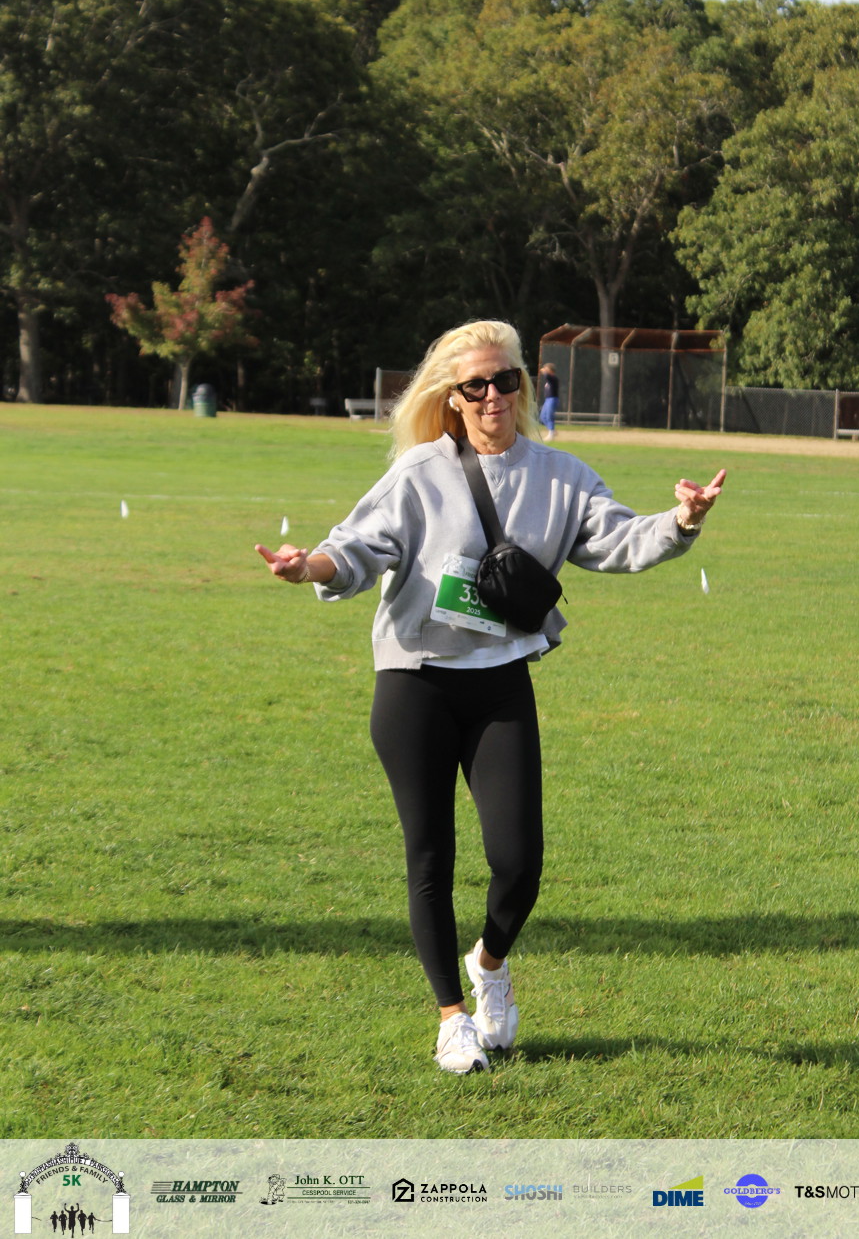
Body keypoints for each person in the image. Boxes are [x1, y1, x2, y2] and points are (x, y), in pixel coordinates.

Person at [256, 319, 725, 1074]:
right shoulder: (419, 473)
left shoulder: (562, 476)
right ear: (453, 396)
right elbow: (356, 548)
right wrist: (308, 567)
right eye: (474, 386)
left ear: (523, 385)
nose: (491, 396)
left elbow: (617, 540)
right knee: (430, 856)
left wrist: (683, 520)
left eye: (504, 380)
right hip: (414, 682)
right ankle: (452, 1020)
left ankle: (490, 964)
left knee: (520, 861)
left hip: (500, 680)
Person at [538, 362, 559, 440]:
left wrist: (544, 371)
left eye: (547, 369)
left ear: (551, 370)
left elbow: (547, 376)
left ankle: (551, 434)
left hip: (552, 399)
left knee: (549, 416)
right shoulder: (549, 379)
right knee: (542, 417)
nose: (545, 370)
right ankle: (552, 430)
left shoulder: (554, 378)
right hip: (548, 400)